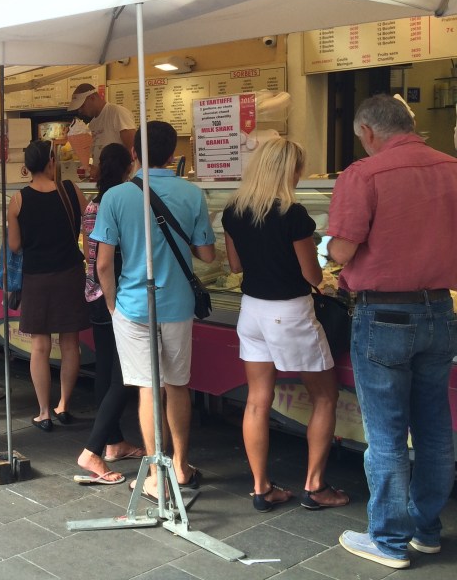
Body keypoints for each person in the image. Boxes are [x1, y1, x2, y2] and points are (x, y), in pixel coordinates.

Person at [327, 95, 457, 569]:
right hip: (441, 311)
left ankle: (388, 540)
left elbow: (340, 252)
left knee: (385, 433)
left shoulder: (363, 174)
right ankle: (426, 530)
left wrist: (330, 253)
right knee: (435, 429)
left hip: (383, 315)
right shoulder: (452, 168)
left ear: (367, 131)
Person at [92, 121, 215, 501]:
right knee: (178, 385)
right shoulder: (192, 193)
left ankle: (157, 474)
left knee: (148, 388)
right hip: (177, 305)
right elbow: (206, 254)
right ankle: (180, 466)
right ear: (173, 155)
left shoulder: (115, 197)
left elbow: (103, 264)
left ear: (134, 153)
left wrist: (112, 303)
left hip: (132, 305)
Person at [222, 138, 347, 512]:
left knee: (258, 402)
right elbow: (312, 274)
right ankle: (315, 486)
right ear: (288, 171)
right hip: (290, 313)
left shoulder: (233, 211)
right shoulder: (294, 215)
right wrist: (324, 278)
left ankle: (261, 488)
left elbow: (235, 267)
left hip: (251, 311)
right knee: (325, 396)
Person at [7, 139, 90, 432]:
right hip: (70, 273)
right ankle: (64, 404)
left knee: (40, 347)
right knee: (70, 343)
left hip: (37, 278)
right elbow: (88, 226)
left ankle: (44, 412)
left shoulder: (18, 199)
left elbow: (14, 245)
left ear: (28, 167)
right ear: (51, 162)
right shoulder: (71, 191)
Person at [76, 143, 144, 484]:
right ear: (127, 168)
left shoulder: (92, 203)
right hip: (114, 295)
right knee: (123, 374)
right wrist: (114, 301)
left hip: (93, 290)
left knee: (107, 367)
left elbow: (90, 249)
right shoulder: (118, 201)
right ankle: (97, 448)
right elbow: (110, 258)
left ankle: (113, 441)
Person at [67, 83, 136, 179]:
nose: (80, 111)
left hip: (121, 180)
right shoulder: (92, 125)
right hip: (105, 181)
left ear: (92, 98)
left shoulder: (117, 113)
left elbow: (133, 150)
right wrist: (91, 170)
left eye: (82, 106)